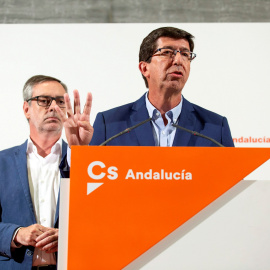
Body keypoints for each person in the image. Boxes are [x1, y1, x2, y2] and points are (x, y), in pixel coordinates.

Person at [0, 75, 74, 270]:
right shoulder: (2, 163)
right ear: (26, 109)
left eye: (60, 101)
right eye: (44, 101)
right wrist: (17, 234)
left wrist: (69, 236)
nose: (54, 107)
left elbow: (103, 221)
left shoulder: (86, 161)